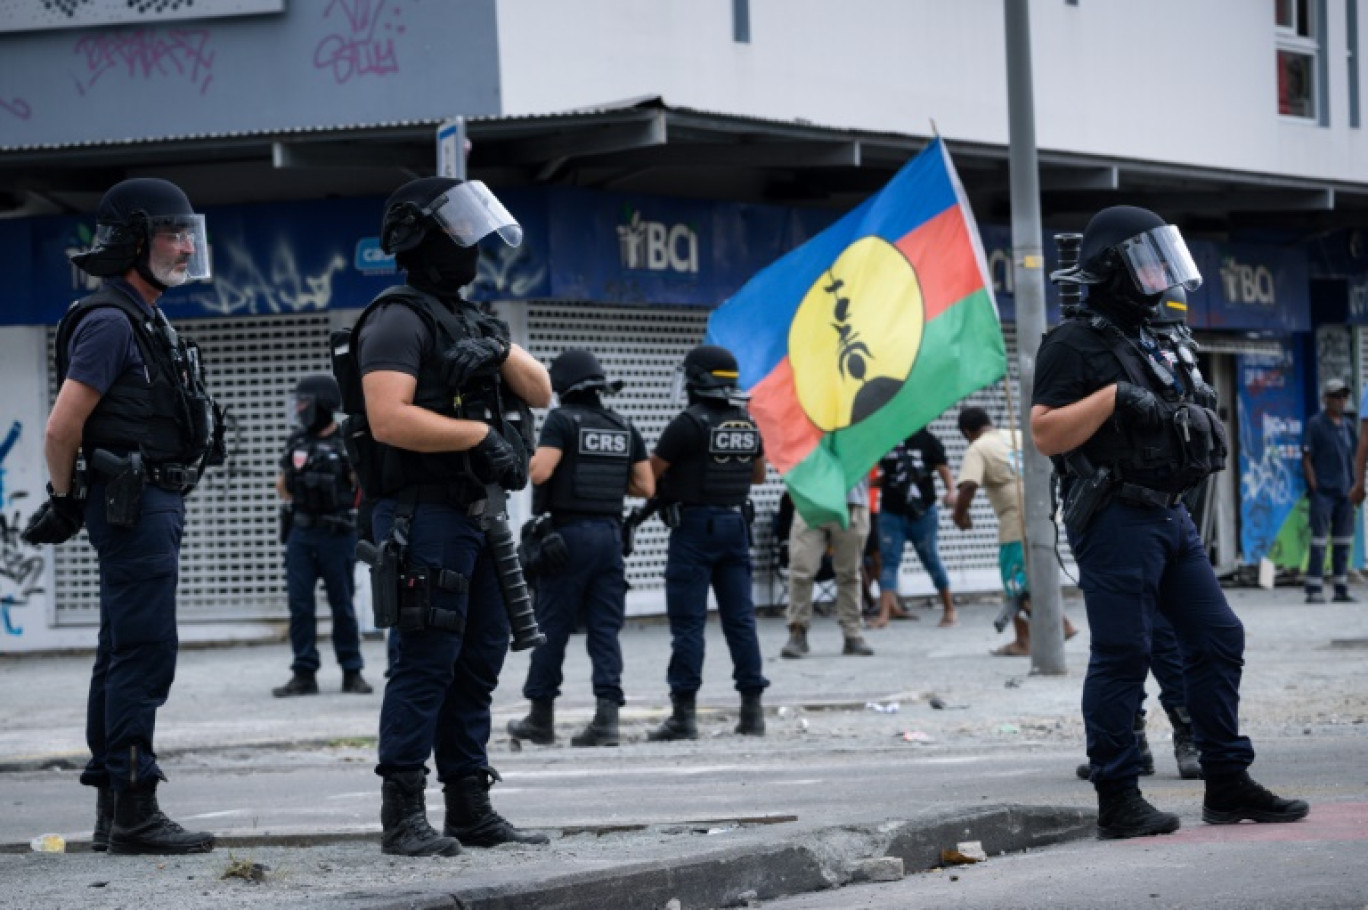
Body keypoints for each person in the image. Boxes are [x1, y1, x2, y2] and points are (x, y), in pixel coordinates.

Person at [1033, 204, 1307, 839]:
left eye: (1165, 261)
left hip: (1172, 515)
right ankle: (1118, 797)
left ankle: (1226, 780)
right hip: (1115, 517)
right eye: (1148, 262)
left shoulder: (1157, 337)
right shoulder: (1071, 343)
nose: (1161, 276)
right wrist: (1110, 399)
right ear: (1113, 269)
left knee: (1217, 638)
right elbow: (1045, 432)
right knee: (1124, 655)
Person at [343, 176, 552, 857]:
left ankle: (470, 805)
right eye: (458, 232)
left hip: (478, 517)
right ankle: (403, 814)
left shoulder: (472, 318)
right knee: (426, 663)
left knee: (478, 664)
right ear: (422, 238)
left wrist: (496, 349)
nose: (473, 248)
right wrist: (474, 437)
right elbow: (387, 417)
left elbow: (540, 387)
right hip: (421, 513)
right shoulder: (398, 318)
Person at [23, 177, 221, 855]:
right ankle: (136, 808)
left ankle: (115, 811)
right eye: (173, 233)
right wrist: (66, 500)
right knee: (142, 653)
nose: (187, 245)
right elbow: (61, 428)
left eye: (188, 232)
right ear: (134, 242)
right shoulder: (110, 321)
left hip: (149, 502)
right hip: (133, 507)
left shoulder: (143, 315)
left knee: (120, 652)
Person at [506, 348, 653, 747]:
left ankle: (541, 719)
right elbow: (645, 485)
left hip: (566, 538)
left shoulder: (561, 421)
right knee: (605, 630)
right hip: (609, 537)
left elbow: (540, 471)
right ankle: (606, 722)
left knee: (551, 627)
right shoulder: (622, 425)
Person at [647, 344, 770, 740]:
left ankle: (684, 716)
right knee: (740, 621)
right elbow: (758, 476)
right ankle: (752, 713)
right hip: (736, 526)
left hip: (695, 529)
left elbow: (650, 475)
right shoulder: (746, 422)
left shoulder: (688, 423)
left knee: (688, 624)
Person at [272, 374, 372, 698]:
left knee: (342, 605)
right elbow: (283, 490)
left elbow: (361, 486)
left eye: (305, 402)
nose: (300, 408)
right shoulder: (296, 441)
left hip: (337, 532)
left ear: (324, 404)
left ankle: (352, 671)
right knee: (300, 605)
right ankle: (304, 673)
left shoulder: (347, 441)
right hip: (301, 531)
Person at [951, 407, 1077, 655]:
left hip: (1014, 523)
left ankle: (1026, 640)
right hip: (1044, 517)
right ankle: (1060, 625)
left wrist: (959, 515)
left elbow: (967, 486)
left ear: (967, 432)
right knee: (1036, 577)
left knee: (1016, 583)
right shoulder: (1019, 435)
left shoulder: (977, 448)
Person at [871, 429, 957, 628]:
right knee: (888, 562)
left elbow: (942, 467)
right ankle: (884, 614)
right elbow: (890, 475)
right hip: (892, 512)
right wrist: (867, 484)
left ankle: (949, 609)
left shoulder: (927, 440)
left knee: (931, 559)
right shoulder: (886, 439)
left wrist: (951, 490)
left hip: (923, 512)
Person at [780, 479, 874, 657]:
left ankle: (852, 633)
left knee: (850, 572)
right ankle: (797, 630)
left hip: (851, 500)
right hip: (812, 501)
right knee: (801, 569)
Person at [1302, 378, 1358, 604]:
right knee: (1319, 542)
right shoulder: (1316, 424)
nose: (1341, 401)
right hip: (1323, 494)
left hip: (1345, 494)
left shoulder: (1348, 426)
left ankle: (1341, 588)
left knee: (1343, 542)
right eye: (1336, 396)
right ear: (1326, 399)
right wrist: (1314, 486)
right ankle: (1314, 589)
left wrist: (1356, 486)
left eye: (1344, 396)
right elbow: (1306, 458)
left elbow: (1355, 457)